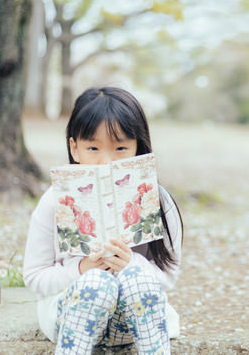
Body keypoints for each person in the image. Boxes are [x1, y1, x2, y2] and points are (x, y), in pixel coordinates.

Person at [23, 87, 183, 355]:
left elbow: (167, 276)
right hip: (72, 316)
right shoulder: (55, 200)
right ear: (75, 148)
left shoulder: (158, 199)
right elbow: (34, 276)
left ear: (137, 147)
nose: (106, 161)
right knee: (97, 283)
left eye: (121, 148)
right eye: (93, 148)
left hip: (133, 323)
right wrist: (83, 269)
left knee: (137, 278)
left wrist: (132, 264)